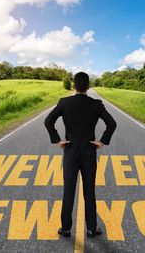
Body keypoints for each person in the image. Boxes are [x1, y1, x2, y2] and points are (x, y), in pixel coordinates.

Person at [44, 72, 116, 238]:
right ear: (88, 86)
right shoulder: (97, 104)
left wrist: (58, 140)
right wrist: (102, 141)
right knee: (89, 191)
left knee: (68, 190)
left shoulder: (64, 103)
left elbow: (48, 122)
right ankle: (91, 228)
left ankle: (66, 228)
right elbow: (112, 124)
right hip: (88, 152)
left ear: (74, 86)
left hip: (70, 152)